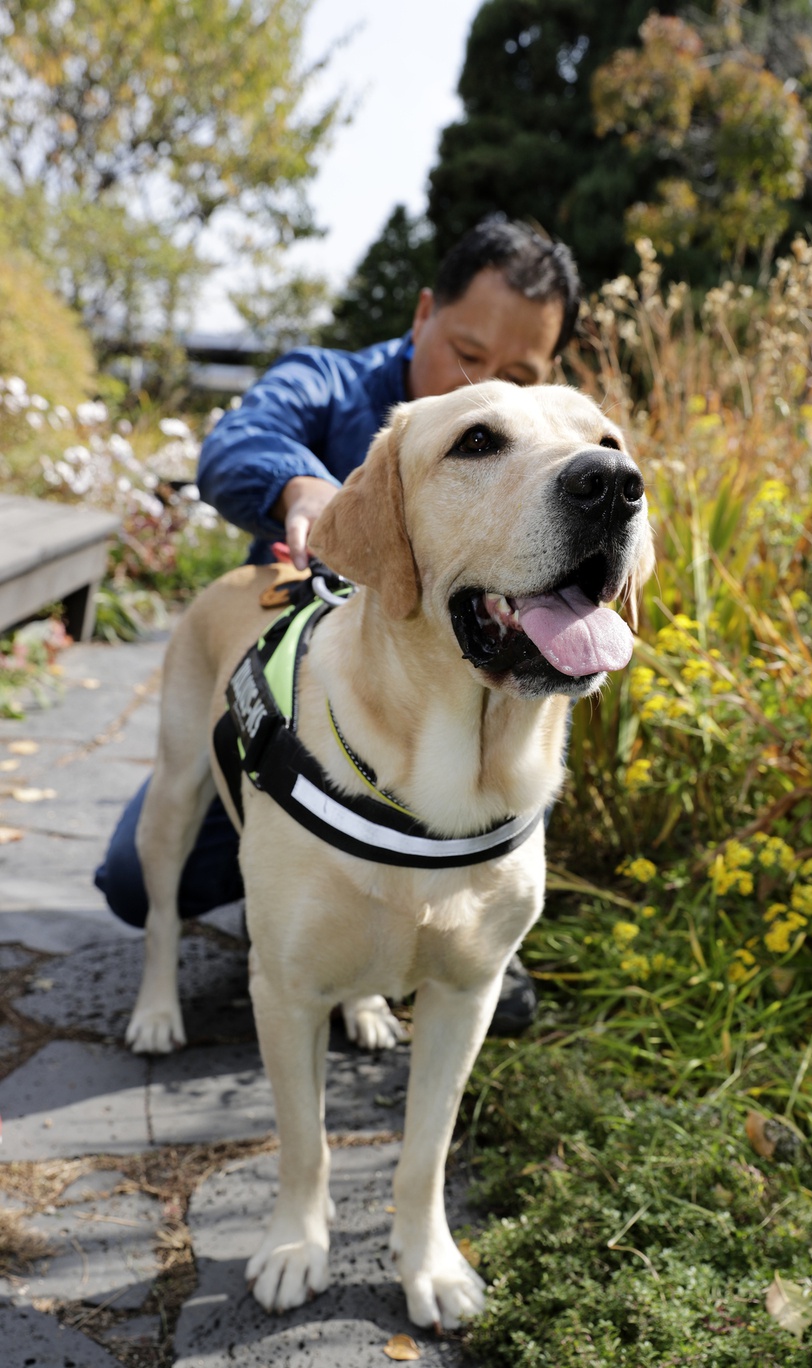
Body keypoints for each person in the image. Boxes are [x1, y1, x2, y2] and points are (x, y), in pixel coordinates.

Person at [95, 216, 582, 1035]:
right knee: (132, 882)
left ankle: (431, 943)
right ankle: (238, 947)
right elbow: (239, 439)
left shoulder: (535, 463)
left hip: (441, 753)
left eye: (519, 372)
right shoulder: (330, 382)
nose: (487, 383)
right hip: (284, 727)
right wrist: (301, 489)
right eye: (467, 355)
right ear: (424, 312)